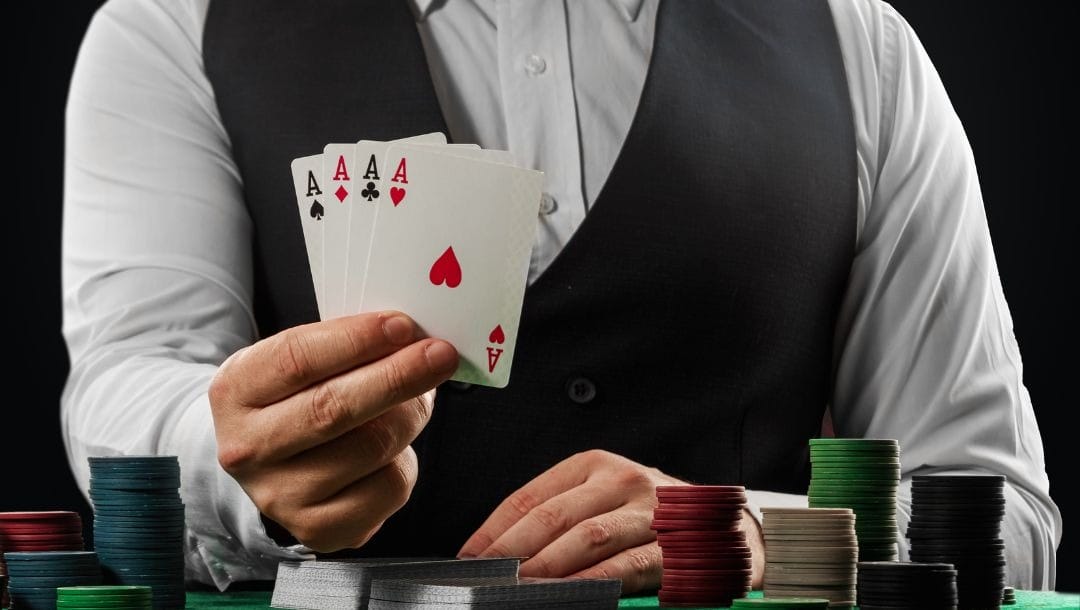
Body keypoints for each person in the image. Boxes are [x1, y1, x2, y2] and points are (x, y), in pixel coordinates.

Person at [60, 0, 1061, 595]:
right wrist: (239, 452)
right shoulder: (173, 24)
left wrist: (748, 530)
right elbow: (126, 388)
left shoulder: (861, 47)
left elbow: (1003, 517)